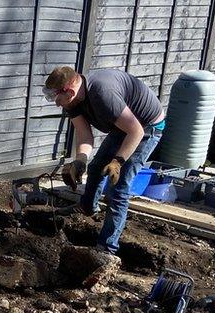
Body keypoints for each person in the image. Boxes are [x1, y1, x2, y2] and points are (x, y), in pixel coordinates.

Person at [43, 66, 165, 254]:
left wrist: (118, 161)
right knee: (95, 168)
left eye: (56, 98)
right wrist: (80, 161)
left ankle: (107, 248)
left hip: (146, 127)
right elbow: (84, 135)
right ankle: (87, 207)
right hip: (123, 126)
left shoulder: (102, 94)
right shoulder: (72, 102)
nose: (57, 104)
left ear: (70, 91)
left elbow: (136, 131)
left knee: (118, 188)